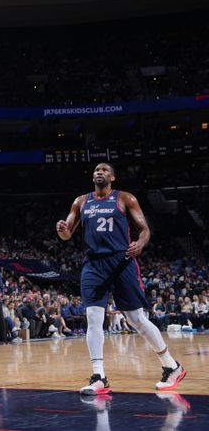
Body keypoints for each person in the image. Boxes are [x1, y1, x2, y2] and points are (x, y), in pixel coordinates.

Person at [56, 162, 186, 394]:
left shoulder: (125, 198)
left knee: (136, 319)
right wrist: (63, 230)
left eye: (105, 170)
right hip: (94, 264)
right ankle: (99, 377)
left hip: (122, 260)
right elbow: (67, 234)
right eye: (97, 170)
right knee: (93, 318)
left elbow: (145, 229)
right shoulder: (81, 201)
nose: (100, 172)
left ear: (113, 177)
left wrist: (141, 243)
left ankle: (172, 366)